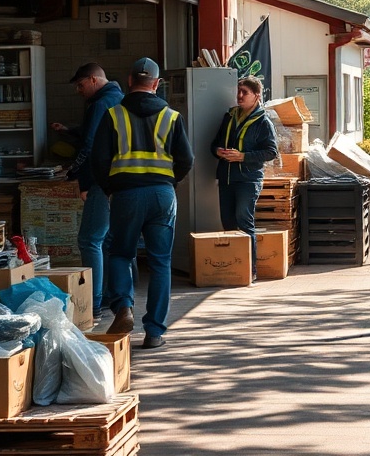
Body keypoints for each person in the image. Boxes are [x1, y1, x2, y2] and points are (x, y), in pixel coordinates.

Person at [92, 57, 193, 349]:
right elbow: (186, 159)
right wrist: (169, 182)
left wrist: (111, 189)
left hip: (126, 195)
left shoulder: (113, 115)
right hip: (162, 195)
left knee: (121, 253)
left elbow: (99, 161)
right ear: (157, 84)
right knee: (161, 262)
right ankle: (155, 332)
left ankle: (123, 305)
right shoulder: (172, 117)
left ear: (129, 81)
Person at [50, 63, 124, 320]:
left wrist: (75, 176)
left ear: (94, 80)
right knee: (104, 241)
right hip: (118, 180)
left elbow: (91, 146)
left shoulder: (100, 104)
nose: (79, 91)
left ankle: (91, 304)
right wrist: (69, 131)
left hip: (99, 181)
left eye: (81, 85)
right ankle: (105, 298)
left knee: (89, 240)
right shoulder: (119, 99)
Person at [210, 75, 278, 282]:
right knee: (228, 222)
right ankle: (233, 268)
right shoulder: (229, 116)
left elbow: (271, 151)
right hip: (226, 177)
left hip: (248, 179)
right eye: (238, 92)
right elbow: (214, 144)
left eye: (244, 93)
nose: (239, 96)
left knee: (243, 220)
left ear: (256, 96)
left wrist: (243, 156)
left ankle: (251, 269)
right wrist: (218, 152)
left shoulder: (263, 122)